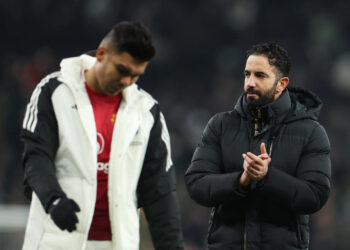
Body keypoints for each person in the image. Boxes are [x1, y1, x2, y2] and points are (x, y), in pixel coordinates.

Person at [21, 21, 184, 250]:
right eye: (122, 70)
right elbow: (36, 157)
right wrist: (53, 199)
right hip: (56, 240)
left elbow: (160, 193)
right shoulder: (54, 91)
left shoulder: (146, 112)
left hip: (117, 244)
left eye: (136, 75)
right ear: (101, 54)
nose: (126, 81)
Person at [184, 42, 331, 250]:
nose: (250, 83)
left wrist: (268, 178)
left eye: (260, 76)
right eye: (247, 74)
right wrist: (240, 181)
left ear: (282, 83)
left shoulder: (310, 132)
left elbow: (315, 195)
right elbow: (196, 183)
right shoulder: (220, 125)